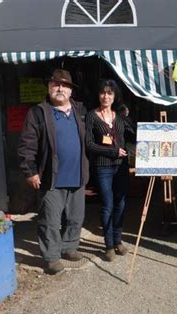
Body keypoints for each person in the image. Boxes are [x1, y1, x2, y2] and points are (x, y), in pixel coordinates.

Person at [18, 69, 89, 275]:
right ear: (49, 87)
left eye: (64, 85)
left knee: (76, 217)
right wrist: (30, 171)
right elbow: (26, 146)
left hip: (77, 175)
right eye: (56, 84)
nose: (60, 88)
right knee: (50, 220)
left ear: (70, 90)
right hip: (51, 177)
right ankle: (51, 257)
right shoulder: (38, 113)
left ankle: (69, 247)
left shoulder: (80, 111)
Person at [86, 79, 136, 261]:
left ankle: (118, 240)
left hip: (121, 166)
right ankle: (108, 245)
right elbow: (89, 144)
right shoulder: (92, 116)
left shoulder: (120, 116)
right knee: (107, 205)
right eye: (103, 93)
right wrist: (112, 151)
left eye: (109, 93)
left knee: (121, 203)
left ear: (115, 96)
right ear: (98, 95)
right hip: (102, 166)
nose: (106, 96)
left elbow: (130, 137)